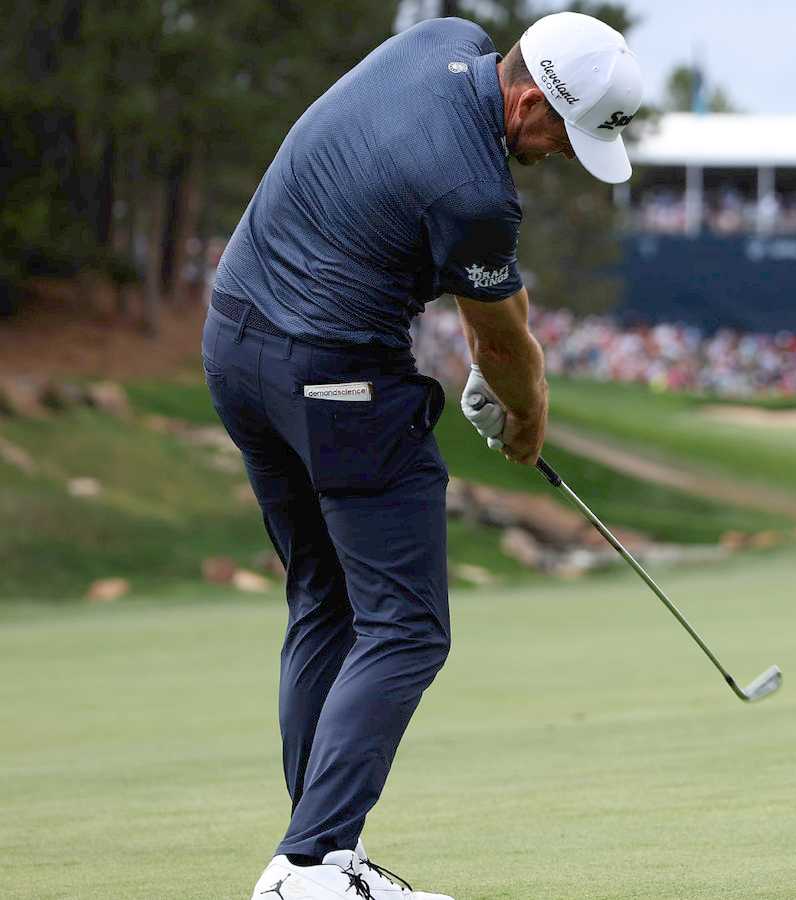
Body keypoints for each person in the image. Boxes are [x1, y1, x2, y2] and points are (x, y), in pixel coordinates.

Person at [200, 13, 642, 899]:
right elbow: (507, 340)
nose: (560, 156)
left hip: (234, 343)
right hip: (332, 374)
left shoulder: (439, 39)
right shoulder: (477, 193)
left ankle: (313, 861)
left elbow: (395, 224)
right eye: (563, 135)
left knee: (326, 599)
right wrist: (525, 413)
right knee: (406, 627)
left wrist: (487, 366)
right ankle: (311, 863)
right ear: (525, 103)